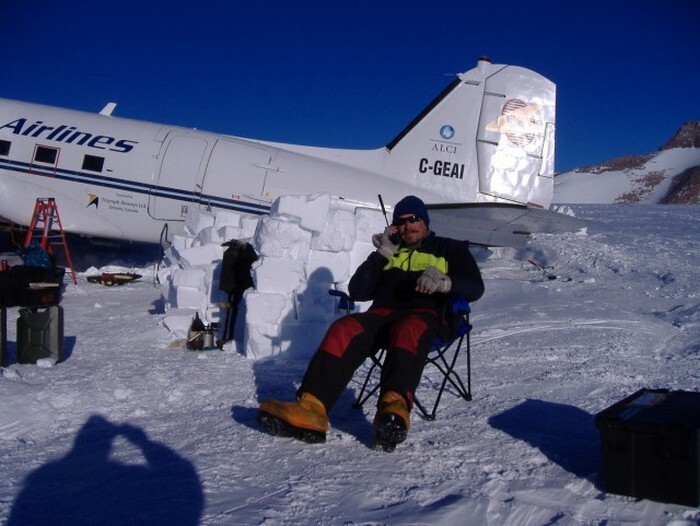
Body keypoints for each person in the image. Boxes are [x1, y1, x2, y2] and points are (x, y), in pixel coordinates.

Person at [257, 195, 484, 450]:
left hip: (427, 316)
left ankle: (393, 409)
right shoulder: (390, 251)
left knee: (408, 328)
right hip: (383, 315)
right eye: (402, 222)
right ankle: (312, 407)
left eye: (414, 220)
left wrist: (446, 282)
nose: (409, 226)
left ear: (425, 221)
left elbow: (476, 287)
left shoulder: (450, 249)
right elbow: (358, 291)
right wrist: (381, 254)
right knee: (346, 327)